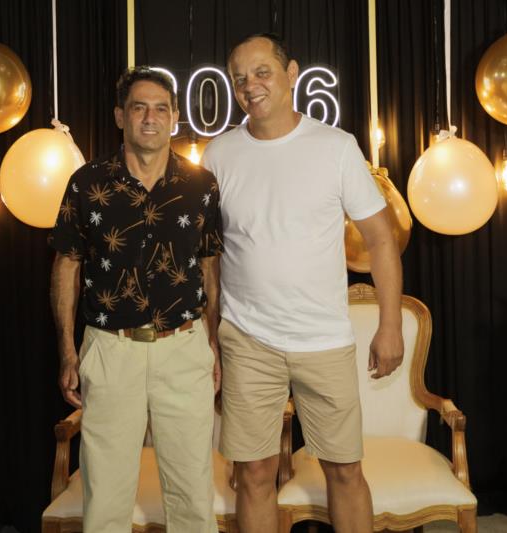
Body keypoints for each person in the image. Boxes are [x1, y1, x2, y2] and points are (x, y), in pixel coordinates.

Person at [201, 33, 404, 533]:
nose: (250, 86)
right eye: (239, 78)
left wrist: (390, 325)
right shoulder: (218, 154)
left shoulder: (336, 147)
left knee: (345, 470)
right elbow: (210, 258)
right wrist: (211, 335)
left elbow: (381, 239)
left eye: (262, 72)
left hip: (324, 339)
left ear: (291, 74)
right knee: (253, 474)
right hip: (248, 339)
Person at [49, 67, 223, 533]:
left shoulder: (201, 186)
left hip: (184, 346)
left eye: (161, 108)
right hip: (111, 349)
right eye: (139, 107)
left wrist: (214, 345)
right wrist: (67, 351)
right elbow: (66, 265)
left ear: (174, 118)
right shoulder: (86, 184)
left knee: (192, 493)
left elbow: (210, 268)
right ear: (120, 116)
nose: (150, 117)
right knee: (105, 496)